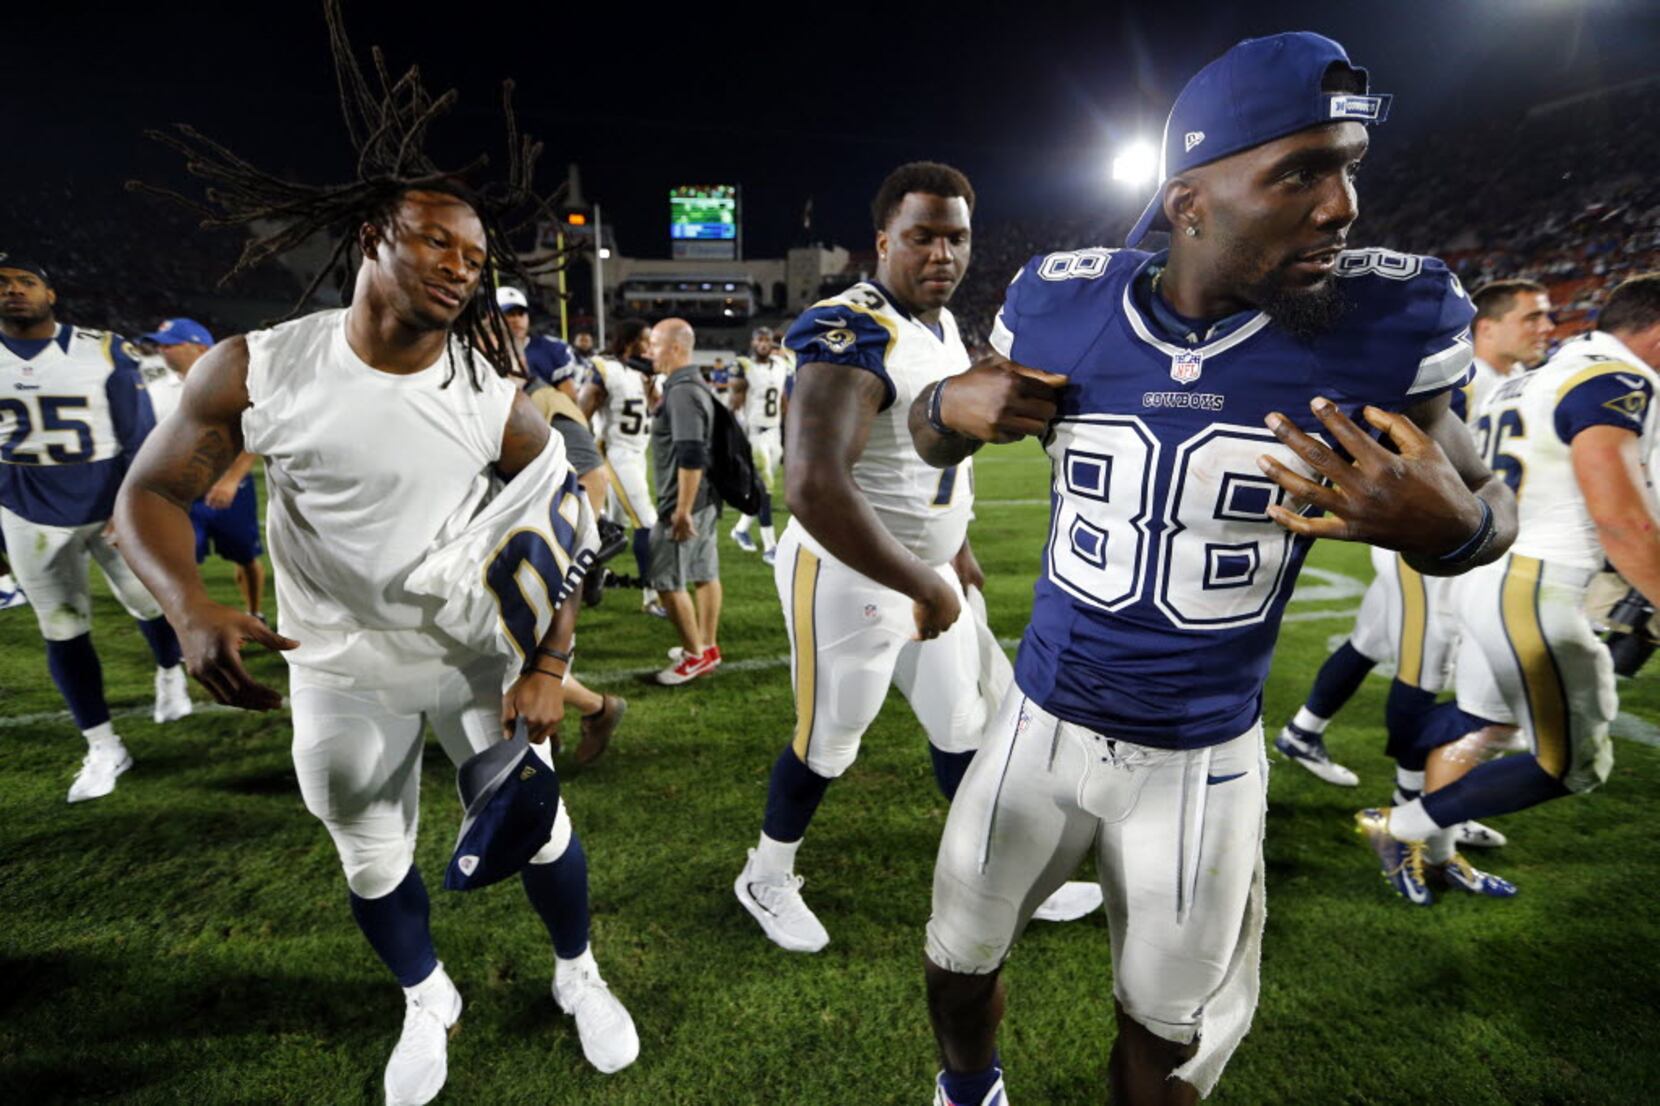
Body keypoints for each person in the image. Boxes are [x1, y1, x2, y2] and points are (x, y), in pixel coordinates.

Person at [910, 35, 1517, 1105]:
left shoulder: (1380, 326)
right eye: (1301, 171)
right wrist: (939, 410)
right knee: (956, 964)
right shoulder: (1061, 301)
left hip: (1202, 757)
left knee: (1168, 1041)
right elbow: (935, 433)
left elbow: (1488, 501)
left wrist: (1457, 526)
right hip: (1036, 722)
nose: (1342, 207)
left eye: (1349, 168)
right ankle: (969, 1090)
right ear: (1188, 200)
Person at [115, 16, 636, 1103]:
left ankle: (577, 973)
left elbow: (571, 519)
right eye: (436, 241)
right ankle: (424, 994)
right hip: (336, 652)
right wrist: (190, 605)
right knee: (367, 849)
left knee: (538, 829)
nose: (458, 265)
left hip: (468, 648)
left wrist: (549, 662)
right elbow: (150, 491)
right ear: (369, 235)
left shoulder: (494, 398)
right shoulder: (261, 365)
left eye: (474, 255)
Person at [733, 162, 1100, 958]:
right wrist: (922, 582)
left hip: (924, 571)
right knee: (828, 740)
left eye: (956, 237)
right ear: (882, 242)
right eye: (922, 236)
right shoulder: (850, 328)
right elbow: (812, 485)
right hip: (845, 571)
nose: (942, 253)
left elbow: (929, 458)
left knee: (964, 725)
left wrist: (954, 551)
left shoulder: (939, 324)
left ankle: (994, 876)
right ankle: (765, 873)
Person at [1356, 273, 1660, 904]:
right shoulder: (1616, 378)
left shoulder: (1535, 376)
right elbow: (1619, 515)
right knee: (1573, 764)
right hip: (1535, 588)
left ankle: (1437, 854)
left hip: (1491, 578)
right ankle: (1401, 827)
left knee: (1485, 726)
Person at [1273, 280, 1553, 824]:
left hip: (1459, 533)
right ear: (1487, 327)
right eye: (1532, 317)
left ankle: (1302, 732)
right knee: (1425, 664)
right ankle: (1411, 805)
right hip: (1427, 536)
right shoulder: (1448, 382)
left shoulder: (1514, 381)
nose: (1547, 327)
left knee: (1370, 640)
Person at [0, 258, 191, 803]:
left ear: (50, 294)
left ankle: (168, 670)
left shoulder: (102, 348)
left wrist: (132, 504)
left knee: (148, 604)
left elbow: (140, 434)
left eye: (26, 281)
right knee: (61, 627)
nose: (13, 290)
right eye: (2, 285)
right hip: (25, 507)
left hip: (108, 503)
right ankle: (104, 746)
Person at [142, 317, 268, 623]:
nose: (162, 350)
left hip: (230, 490)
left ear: (199, 346)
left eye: (170, 345)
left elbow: (253, 435)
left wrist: (231, 480)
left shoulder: (237, 382)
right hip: (179, 494)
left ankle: (254, 613)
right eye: (160, 345)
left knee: (246, 555)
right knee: (180, 563)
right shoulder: (153, 388)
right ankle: (197, 622)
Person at [645, 317, 723, 685]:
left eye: (655, 344)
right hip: (705, 499)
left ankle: (694, 656)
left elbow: (691, 453)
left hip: (685, 503)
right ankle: (707, 647)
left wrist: (681, 511)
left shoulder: (682, 391)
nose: (649, 351)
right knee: (705, 574)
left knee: (667, 580)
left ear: (676, 348)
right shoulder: (691, 384)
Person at [578, 319, 662, 616]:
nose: (652, 347)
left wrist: (651, 383)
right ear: (630, 342)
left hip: (638, 454)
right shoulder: (606, 368)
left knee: (614, 528)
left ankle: (589, 575)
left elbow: (655, 409)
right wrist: (587, 457)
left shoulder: (646, 372)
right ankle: (653, 595)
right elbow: (581, 413)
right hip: (616, 453)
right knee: (648, 522)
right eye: (647, 340)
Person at [728, 325, 788, 559]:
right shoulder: (745, 366)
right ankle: (770, 547)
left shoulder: (781, 365)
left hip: (774, 433)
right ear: (753, 343)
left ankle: (740, 530)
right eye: (760, 340)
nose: (764, 344)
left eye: (767, 340)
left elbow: (782, 397)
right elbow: (734, 402)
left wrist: (789, 427)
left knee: (761, 489)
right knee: (766, 489)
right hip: (754, 434)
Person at [498, 285, 580, 398]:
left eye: (521, 313)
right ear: (493, 317)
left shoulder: (551, 349)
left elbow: (571, 404)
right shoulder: (482, 354)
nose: (517, 319)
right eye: (509, 314)